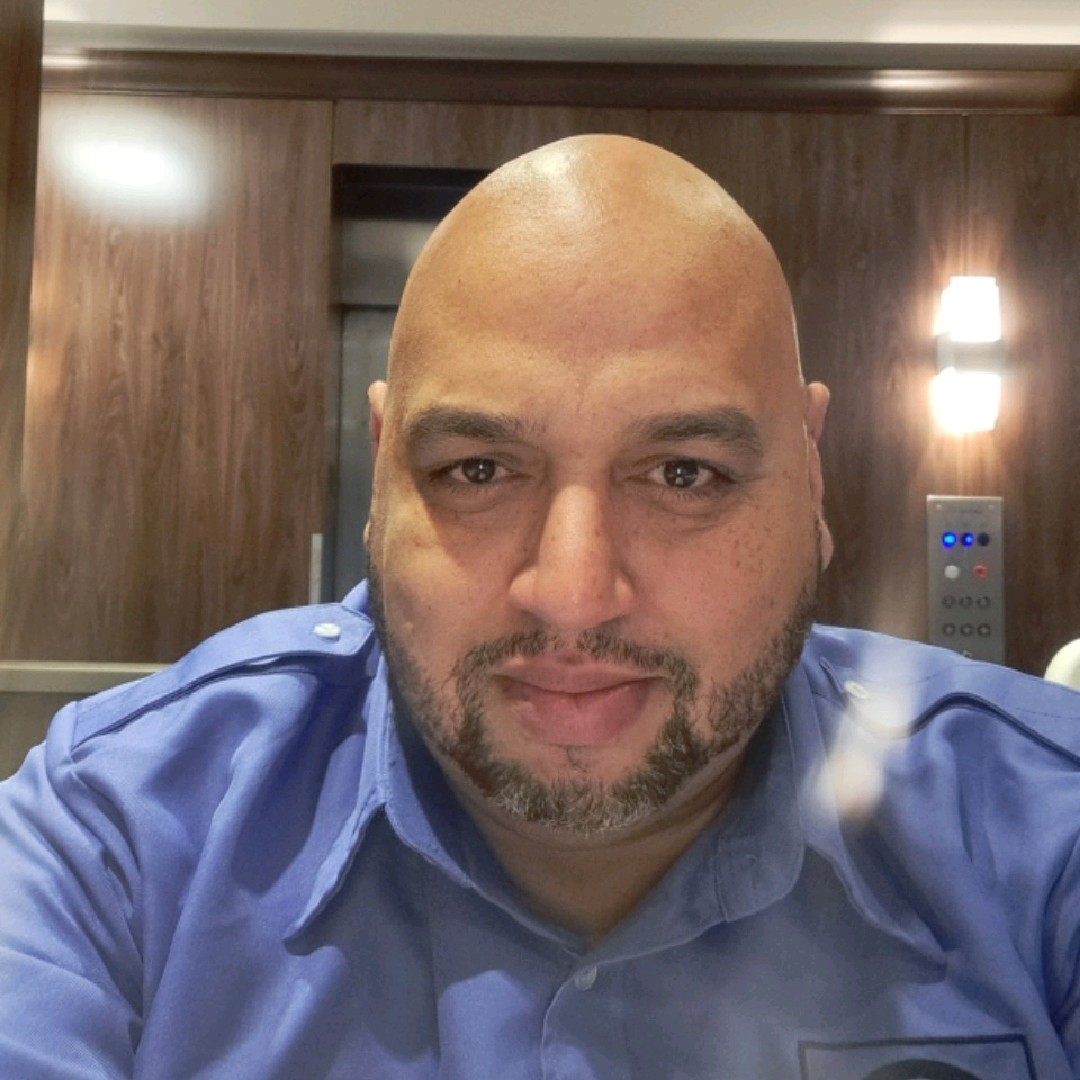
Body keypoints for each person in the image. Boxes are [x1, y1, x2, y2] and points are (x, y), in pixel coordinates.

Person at [1, 134, 1079, 1080]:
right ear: (380, 478)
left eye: (684, 474)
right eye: (477, 471)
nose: (572, 592)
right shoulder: (116, 838)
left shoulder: (1047, 832)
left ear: (811, 476)